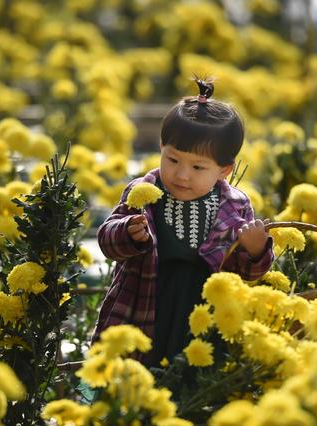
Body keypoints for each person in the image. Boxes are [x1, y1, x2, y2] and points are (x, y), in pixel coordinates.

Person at [92, 77, 274, 366]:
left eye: (198, 167)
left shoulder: (235, 205)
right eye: (173, 160)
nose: (182, 175)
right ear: (161, 146)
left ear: (224, 170)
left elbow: (246, 274)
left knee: (197, 372)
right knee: (140, 367)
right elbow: (108, 242)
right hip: (147, 302)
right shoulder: (144, 193)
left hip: (204, 311)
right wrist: (128, 232)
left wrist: (255, 251)